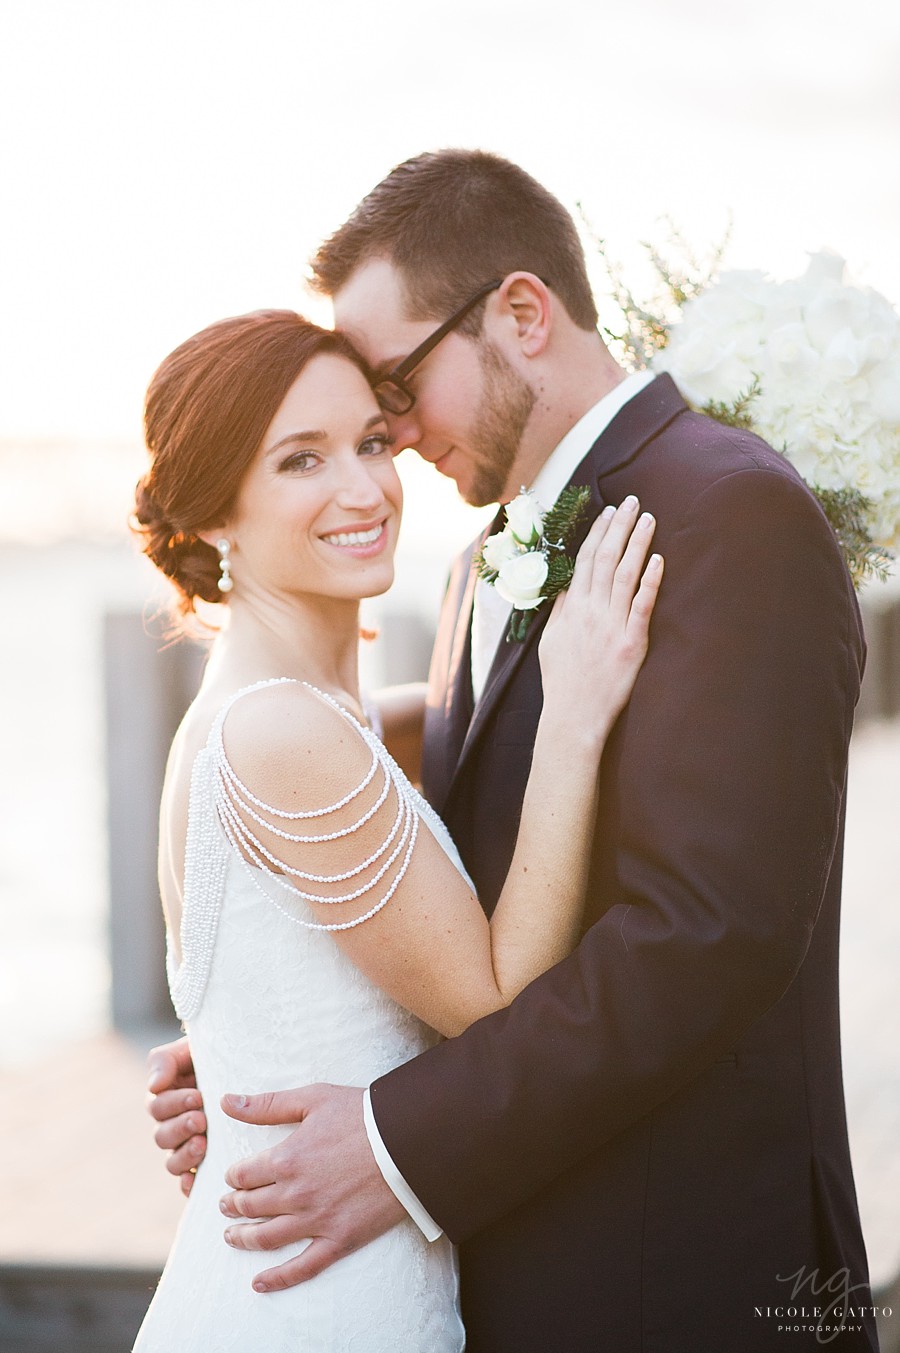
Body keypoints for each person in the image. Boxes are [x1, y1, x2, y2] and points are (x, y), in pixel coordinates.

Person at [149, 151, 877, 1351]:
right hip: (504, 1269)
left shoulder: (726, 511)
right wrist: (263, 1024)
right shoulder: (483, 557)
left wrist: (398, 1139)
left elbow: (708, 936)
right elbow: (445, 840)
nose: (388, 433)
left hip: (682, 1286)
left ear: (522, 315)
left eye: (394, 386)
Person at [131, 306, 661, 1351]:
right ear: (212, 516)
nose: (365, 487)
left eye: (372, 442)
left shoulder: (287, 713)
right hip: (322, 1307)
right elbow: (496, 999)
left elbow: (409, 736)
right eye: (301, 461)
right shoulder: (280, 733)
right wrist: (575, 708)